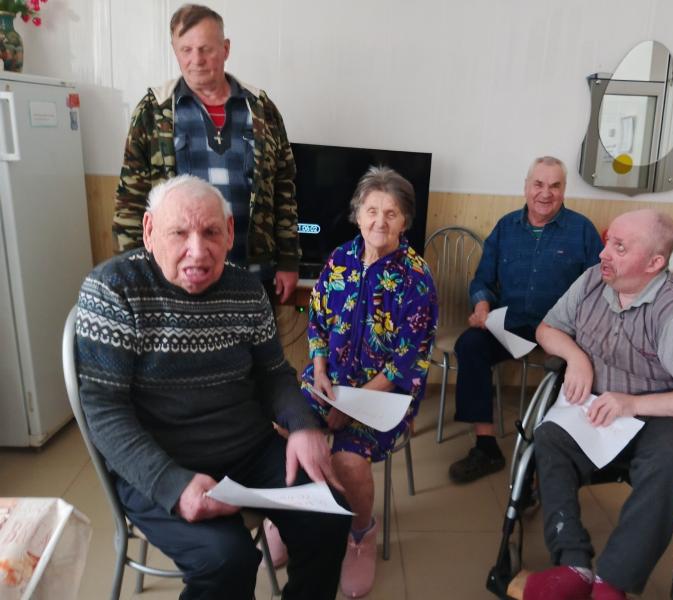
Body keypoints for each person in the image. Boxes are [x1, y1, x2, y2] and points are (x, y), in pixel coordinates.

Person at [76, 175, 350, 600]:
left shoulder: (246, 289)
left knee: (330, 516)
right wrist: (171, 484)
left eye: (210, 232)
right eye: (179, 233)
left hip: (249, 451)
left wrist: (302, 425)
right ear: (149, 230)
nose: (198, 250)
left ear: (230, 233)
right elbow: (104, 411)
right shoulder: (113, 289)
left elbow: (273, 373)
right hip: (159, 461)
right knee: (227, 560)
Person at [526, 209, 673, 599]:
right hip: (605, 403)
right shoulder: (593, 281)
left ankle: (612, 583)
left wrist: (632, 404)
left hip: (668, 413)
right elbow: (547, 328)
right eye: (608, 240)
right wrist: (576, 358)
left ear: (654, 263)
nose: (604, 253)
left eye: (620, 247)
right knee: (549, 437)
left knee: (664, 463)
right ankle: (572, 563)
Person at [268, 166, 438, 598]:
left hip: (384, 396)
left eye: (391, 213)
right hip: (329, 382)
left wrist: (350, 405)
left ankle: (360, 533)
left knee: (348, 462)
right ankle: (290, 515)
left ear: (405, 220)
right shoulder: (339, 259)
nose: (380, 221)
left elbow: (406, 363)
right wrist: (320, 368)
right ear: (357, 214)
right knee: (283, 428)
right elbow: (317, 322)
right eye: (372, 211)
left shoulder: (416, 279)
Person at [112, 3, 299, 303]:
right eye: (186, 50)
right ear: (175, 51)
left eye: (205, 49)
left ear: (225, 49)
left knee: (255, 337)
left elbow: (284, 188)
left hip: (252, 275)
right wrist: (132, 270)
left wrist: (289, 261)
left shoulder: (262, 109)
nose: (196, 60)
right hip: (177, 275)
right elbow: (131, 200)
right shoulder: (153, 111)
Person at [448, 156, 603, 484]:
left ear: (564, 190)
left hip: (562, 330)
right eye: (539, 184)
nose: (546, 193)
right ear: (526, 187)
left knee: (587, 362)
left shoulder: (582, 231)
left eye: (555, 186)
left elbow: (600, 288)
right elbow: (483, 280)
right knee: (470, 345)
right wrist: (482, 307)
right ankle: (486, 446)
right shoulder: (506, 227)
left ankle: (557, 452)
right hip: (512, 324)